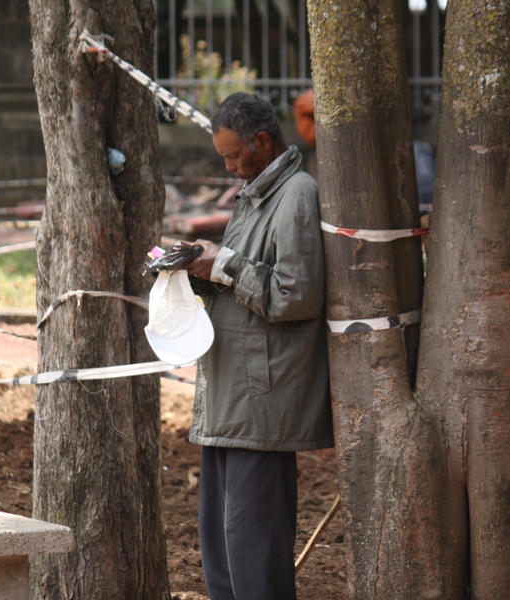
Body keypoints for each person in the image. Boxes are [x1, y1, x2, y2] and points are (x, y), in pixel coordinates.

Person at [184, 92, 333, 600]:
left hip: (262, 399)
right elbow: (239, 280)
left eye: (232, 155)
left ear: (262, 142)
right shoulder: (254, 193)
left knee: (253, 552)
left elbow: (296, 295)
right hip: (230, 395)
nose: (227, 167)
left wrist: (221, 265)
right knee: (221, 546)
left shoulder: (296, 195)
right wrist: (193, 270)